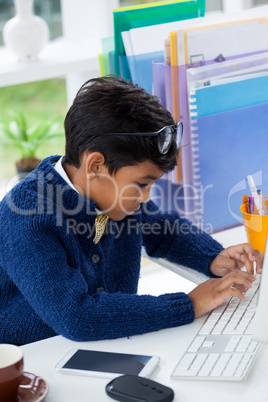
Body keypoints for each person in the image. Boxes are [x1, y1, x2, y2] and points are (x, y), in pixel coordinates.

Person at [0, 75, 262, 346]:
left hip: (107, 342)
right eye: (142, 184)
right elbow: (77, 316)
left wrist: (212, 257)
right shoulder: (25, 217)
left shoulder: (115, 196)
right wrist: (189, 304)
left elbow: (165, 231)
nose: (146, 197)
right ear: (95, 165)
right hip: (33, 358)